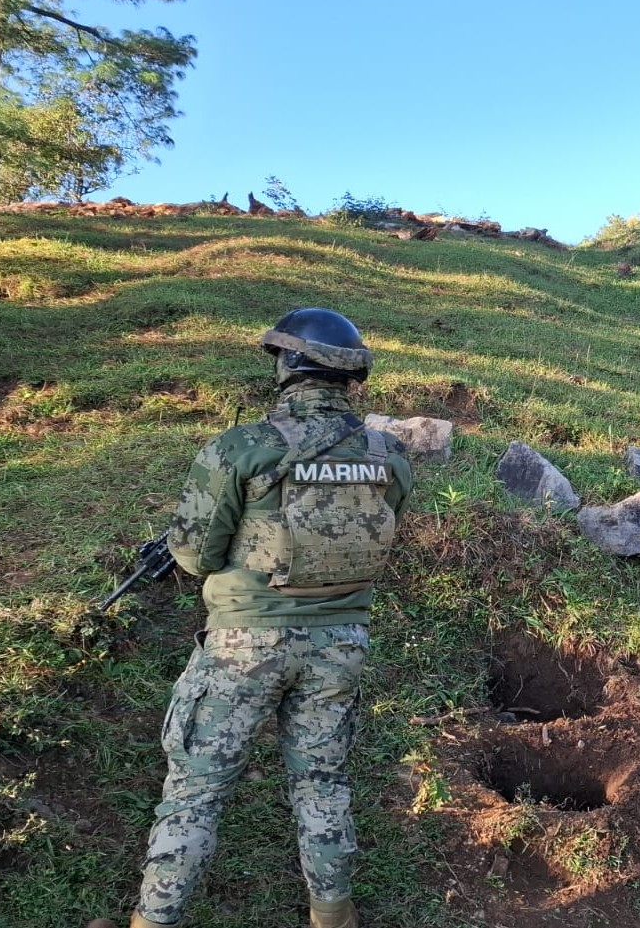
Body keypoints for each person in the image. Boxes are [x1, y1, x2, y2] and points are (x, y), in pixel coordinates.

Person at [90, 308, 414, 928]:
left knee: (197, 788)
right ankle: (333, 917)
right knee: (322, 780)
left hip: (245, 642)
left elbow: (194, 556)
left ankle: (153, 921)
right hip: (340, 643)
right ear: (351, 375)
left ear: (288, 366)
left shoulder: (240, 447)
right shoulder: (389, 453)